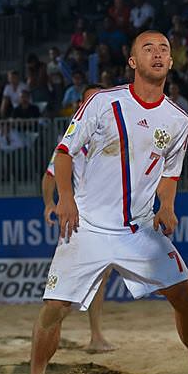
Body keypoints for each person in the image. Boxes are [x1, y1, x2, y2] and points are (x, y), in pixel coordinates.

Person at [24, 31, 188, 374]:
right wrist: (65, 199)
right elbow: (63, 153)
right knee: (54, 308)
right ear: (132, 61)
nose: (157, 53)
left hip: (138, 230)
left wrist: (166, 206)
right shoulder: (103, 102)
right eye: (148, 48)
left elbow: (170, 173)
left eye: (164, 49)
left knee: (185, 298)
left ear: (171, 62)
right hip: (87, 227)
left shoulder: (178, 120)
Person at [40, 84, 113, 352]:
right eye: (90, 100)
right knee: (70, 286)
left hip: (107, 216)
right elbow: (50, 175)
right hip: (80, 216)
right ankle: (47, 328)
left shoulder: (113, 133)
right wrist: (50, 203)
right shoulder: (72, 137)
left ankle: (96, 336)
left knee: (100, 276)